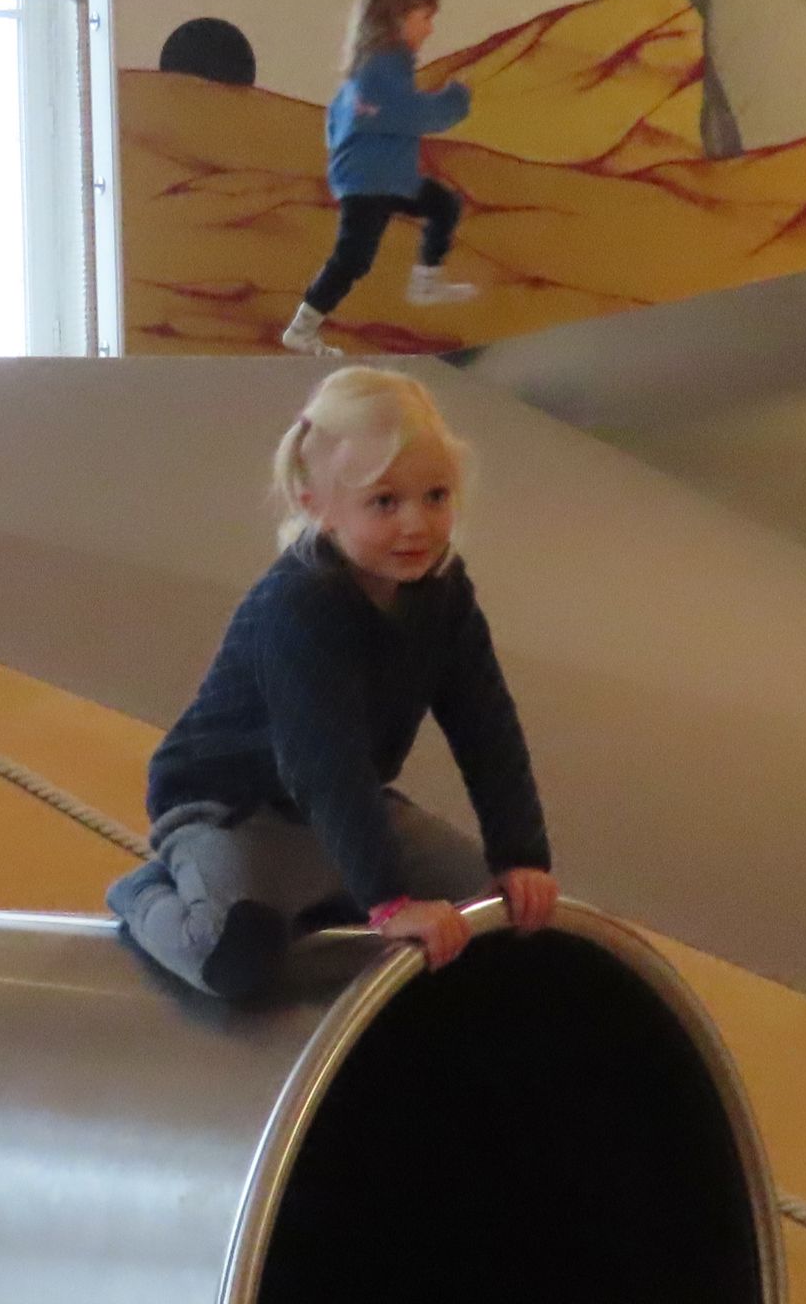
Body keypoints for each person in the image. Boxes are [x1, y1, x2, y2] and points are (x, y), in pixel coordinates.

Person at [108, 368, 556, 1001]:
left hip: (336, 808)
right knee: (235, 956)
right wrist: (389, 900)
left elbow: (486, 725)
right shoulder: (299, 604)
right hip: (233, 811)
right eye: (384, 502)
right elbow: (325, 761)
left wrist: (519, 854)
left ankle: (326, 893)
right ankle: (146, 895)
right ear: (317, 506)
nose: (417, 524)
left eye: (436, 496)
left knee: (493, 924)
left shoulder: (442, 594)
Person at [282, 0, 479, 355]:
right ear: (398, 17)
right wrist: (456, 99)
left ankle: (425, 283)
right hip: (370, 181)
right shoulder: (379, 70)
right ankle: (301, 329)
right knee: (354, 257)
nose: (430, 29)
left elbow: (340, 120)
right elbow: (410, 114)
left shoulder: (377, 69)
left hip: (388, 178)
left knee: (443, 204)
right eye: (426, 17)